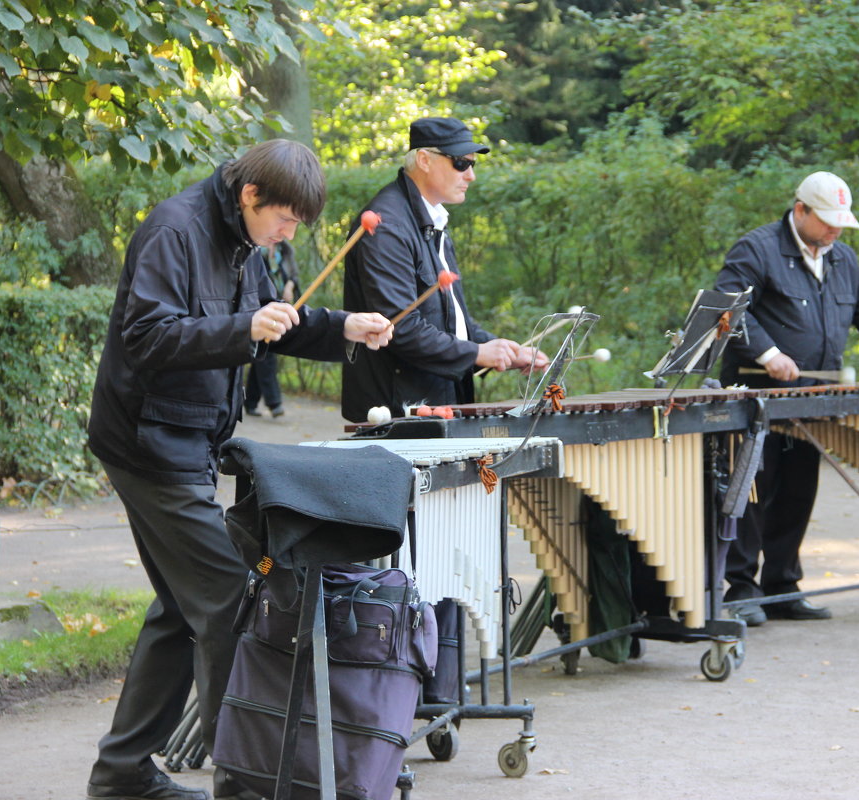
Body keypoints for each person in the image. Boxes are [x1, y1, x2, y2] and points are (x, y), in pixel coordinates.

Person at [85, 139, 393, 800]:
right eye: (284, 220)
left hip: (188, 440)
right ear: (250, 196)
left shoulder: (239, 239)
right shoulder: (176, 230)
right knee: (230, 594)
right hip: (147, 441)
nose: (287, 234)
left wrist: (343, 328)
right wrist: (241, 328)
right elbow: (145, 338)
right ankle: (247, 780)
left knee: (180, 607)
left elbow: (272, 324)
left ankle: (122, 775)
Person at [714, 171, 859, 626]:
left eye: (841, 223)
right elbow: (727, 307)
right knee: (752, 492)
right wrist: (768, 352)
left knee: (797, 490)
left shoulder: (842, 259)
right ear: (800, 211)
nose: (835, 231)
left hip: (812, 398)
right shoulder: (757, 248)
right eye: (827, 221)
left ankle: (782, 585)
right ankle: (741, 589)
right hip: (756, 398)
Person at [341, 116, 546, 422]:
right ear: (424, 160)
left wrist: (499, 349)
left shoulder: (432, 221)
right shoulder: (388, 226)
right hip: (396, 411)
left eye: (472, 164)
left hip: (438, 402)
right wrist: (476, 354)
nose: (471, 175)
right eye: (461, 164)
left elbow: (452, 324)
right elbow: (398, 327)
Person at [244, 240, 299, 417]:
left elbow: (293, 275)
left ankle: (249, 402)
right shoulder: (257, 250)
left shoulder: (286, 250)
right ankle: (274, 402)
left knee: (261, 354)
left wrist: (290, 285)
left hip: (283, 307)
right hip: (263, 308)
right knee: (267, 355)